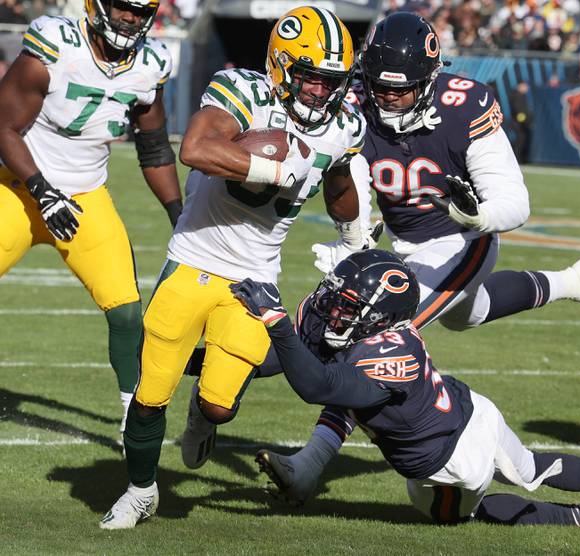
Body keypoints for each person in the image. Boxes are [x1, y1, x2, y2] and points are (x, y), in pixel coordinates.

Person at [258, 12, 580, 504]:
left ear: (427, 81)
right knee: (467, 314)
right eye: (378, 88)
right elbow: (351, 171)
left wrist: (476, 218)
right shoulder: (356, 100)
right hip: (404, 242)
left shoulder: (463, 104)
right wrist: (356, 239)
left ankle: (310, 463)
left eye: (399, 91)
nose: (386, 99)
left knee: (368, 335)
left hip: (462, 241)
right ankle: (575, 281)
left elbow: (515, 202)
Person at [231, 249, 580, 534]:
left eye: (346, 305)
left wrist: (276, 321)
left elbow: (315, 384)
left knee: (529, 470)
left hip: (460, 446)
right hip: (435, 438)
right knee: (447, 517)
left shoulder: (387, 352)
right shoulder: (372, 335)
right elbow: (301, 363)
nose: (332, 310)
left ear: (376, 315)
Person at [100, 6, 368, 529]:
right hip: (195, 258)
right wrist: (274, 167)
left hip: (256, 275)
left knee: (220, 406)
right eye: (310, 77)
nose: (319, 92)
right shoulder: (243, 91)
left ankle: (205, 412)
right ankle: (139, 491)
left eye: (330, 81)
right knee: (151, 392)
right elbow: (195, 149)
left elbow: (337, 181)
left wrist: (354, 235)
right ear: (281, 67)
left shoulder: (344, 125)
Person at [0, 0, 181, 436]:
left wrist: (180, 214)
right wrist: (43, 192)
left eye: (141, 12)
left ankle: (130, 417)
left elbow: (154, 148)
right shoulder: (57, 45)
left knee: (125, 312)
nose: (130, 19)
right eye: (123, 8)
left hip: (84, 199)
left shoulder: (150, 64)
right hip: (19, 190)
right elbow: (3, 127)